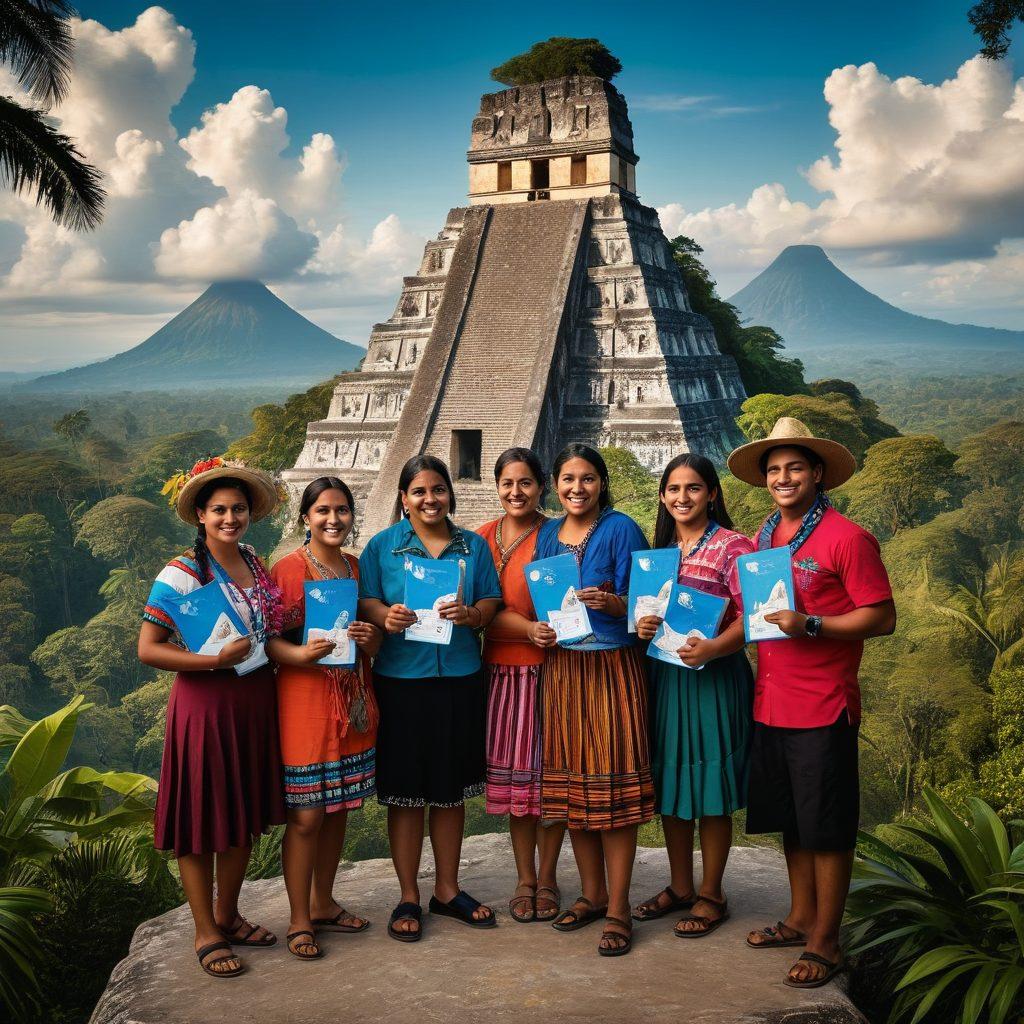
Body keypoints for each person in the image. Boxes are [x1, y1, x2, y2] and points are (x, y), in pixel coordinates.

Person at [727, 417, 896, 989]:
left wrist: (812, 624)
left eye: (794, 467)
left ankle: (827, 941)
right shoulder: (763, 537)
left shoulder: (847, 537)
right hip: (770, 699)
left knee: (826, 827)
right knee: (792, 823)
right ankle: (800, 918)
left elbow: (882, 616)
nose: (783, 478)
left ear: (818, 473)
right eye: (774, 470)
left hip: (823, 704)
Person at [138, 457, 285, 979]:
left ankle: (228, 912)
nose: (231, 517)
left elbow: (269, 632)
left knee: (241, 810)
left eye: (239, 508)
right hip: (205, 704)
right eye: (219, 509)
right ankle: (205, 930)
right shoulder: (180, 573)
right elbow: (148, 648)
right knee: (201, 816)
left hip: (252, 701)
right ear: (200, 514)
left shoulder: (252, 559)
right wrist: (211, 662)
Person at [357, 455, 503, 942]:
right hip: (401, 680)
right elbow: (368, 600)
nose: (429, 499)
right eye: (418, 491)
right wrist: (385, 616)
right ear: (403, 499)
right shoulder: (382, 547)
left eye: (438, 489)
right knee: (405, 794)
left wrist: (472, 616)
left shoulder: (473, 547)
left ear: (450, 494)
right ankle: (408, 895)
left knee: (448, 790)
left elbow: (491, 602)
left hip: (459, 677)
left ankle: (447, 888)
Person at [530, 443, 654, 956]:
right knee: (575, 787)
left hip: (610, 668)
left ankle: (620, 907)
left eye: (586, 478)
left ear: (601, 483)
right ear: (555, 486)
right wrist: (539, 629)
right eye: (567, 479)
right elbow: (542, 595)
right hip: (562, 669)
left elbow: (648, 600)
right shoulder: (546, 535)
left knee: (611, 787)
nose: (576, 488)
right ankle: (592, 893)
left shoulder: (621, 527)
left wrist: (614, 601)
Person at [632, 454, 755, 938]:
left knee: (710, 788)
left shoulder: (732, 546)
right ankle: (680, 886)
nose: (683, 497)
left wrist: (713, 648)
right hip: (666, 678)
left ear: (712, 494)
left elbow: (754, 617)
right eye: (674, 489)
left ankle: (712, 894)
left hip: (714, 679)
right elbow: (644, 615)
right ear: (663, 496)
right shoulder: (657, 553)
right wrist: (641, 626)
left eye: (694, 488)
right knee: (672, 783)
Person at [268, 477, 382, 961]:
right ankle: (298, 919)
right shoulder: (287, 570)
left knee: (339, 809)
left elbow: (374, 644)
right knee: (308, 814)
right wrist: (301, 655)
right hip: (305, 700)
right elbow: (267, 642)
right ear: (305, 517)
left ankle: (323, 902)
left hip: (352, 698)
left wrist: (367, 634)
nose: (333, 519)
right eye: (322, 511)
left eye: (342, 510)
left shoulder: (356, 568)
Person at [476, 448, 566, 924]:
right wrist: (524, 627)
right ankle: (524, 878)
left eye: (526, 483)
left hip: (549, 671)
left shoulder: (554, 536)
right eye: (508, 483)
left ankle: (548, 877)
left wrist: (535, 629)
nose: (517, 492)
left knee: (549, 779)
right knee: (518, 785)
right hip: (501, 674)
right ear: (497, 487)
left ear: (541, 487)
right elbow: (474, 607)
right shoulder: (480, 539)